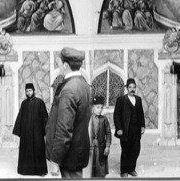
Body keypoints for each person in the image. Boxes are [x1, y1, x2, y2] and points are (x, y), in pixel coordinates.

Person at [45, 47, 91, 178]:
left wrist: (55, 160)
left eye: (59, 62)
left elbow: (64, 129)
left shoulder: (69, 89)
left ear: (65, 65)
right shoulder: (83, 84)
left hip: (69, 155)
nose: (58, 64)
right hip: (76, 152)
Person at [13, 83, 48, 176]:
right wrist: (19, 131)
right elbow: (20, 117)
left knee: (39, 150)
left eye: (30, 91)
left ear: (33, 91)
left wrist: (45, 130)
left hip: (37, 133)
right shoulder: (24, 103)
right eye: (27, 91)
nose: (28, 93)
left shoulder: (40, 102)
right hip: (26, 133)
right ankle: (25, 170)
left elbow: (45, 117)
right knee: (26, 150)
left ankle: (41, 171)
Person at [114, 78, 145, 177]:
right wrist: (119, 128)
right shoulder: (121, 100)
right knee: (125, 150)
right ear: (127, 88)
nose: (132, 89)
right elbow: (116, 115)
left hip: (136, 130)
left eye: (134, 87)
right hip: (125, 130)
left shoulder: (138, 99)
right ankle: (124, 171)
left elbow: (141, 114)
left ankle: (131, 169)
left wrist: (142, 126)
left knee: (136, 149)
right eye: (130, 87)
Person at [88, 96, 111, 178]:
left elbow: (108, 133)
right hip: (90, 146)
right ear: (92, 107)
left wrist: (107, 146)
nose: (100, 109)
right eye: (97, 107)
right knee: (90, 165)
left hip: (100, 145)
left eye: (101, 107)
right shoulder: (88, 119)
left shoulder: (104, 119)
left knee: (100, 165)